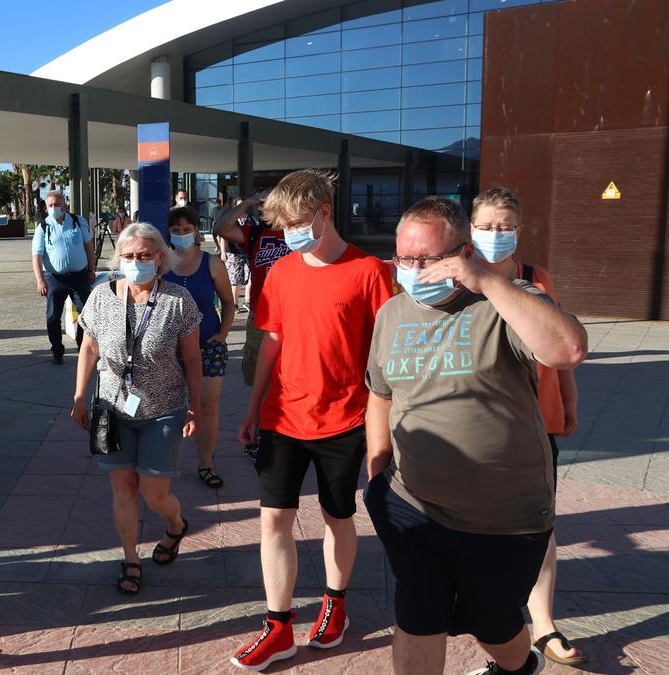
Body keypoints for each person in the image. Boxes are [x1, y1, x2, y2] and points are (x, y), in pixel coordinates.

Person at [364, 196, 587, 675]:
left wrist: (488, 280)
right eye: (405, 257)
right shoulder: (392, 314)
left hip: (505, 517)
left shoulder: (507, 298)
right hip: (412, 504)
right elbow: (380, 394)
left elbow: (567, 349)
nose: (414, 269)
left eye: (428, 258)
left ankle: (519, 666)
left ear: (463, 251)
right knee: (417, 614)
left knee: (494, 624)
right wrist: (378, 472)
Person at [231, 170, 395, 671]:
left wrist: (383, 430)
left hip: (345, 419)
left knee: (336, 516)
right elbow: (272, 342)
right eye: (281, 226)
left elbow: (387, 354)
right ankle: (277, 626)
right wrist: (254, 407)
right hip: (283, 417)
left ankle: (334, 602)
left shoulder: (370, 271)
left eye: (297, 223)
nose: (288, 235)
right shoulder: (281, 272)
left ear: (325, 213)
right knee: (273, 520)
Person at [469, 187, 586, 667]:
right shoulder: (460, 281)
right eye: (487, 225)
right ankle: (486, 614)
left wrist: (569, 399)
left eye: (505, 225)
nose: (496, 234)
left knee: (540, 526)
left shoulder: (536, 277)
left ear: (520, 228)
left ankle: (544, 625)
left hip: (538, 424)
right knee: (475, 524)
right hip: (478, 427)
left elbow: (559, 347)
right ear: (470, 228)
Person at [70, 222, 202, 596]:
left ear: (160, 257)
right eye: (129, 256)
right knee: (123, 489)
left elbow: (192, 359)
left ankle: (175, 524)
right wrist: (80, 396)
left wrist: (194, 408)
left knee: (154, 493)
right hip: (113, 410)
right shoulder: (100, 297)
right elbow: (89, 349)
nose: (137, 262)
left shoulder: (178, 300)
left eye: (145, 255)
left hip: (165, 408)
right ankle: (130, 558)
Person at [164, 206, 235, 489]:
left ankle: (205, 463)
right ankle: (164, 463)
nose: (181, 234)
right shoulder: (161, 263)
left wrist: (223, 332)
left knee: (208, 406)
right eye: (176, 230)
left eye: (186, 229)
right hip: (169, 349)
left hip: (208, 345)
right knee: (169, 407)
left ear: (196, 231)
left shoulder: (212, 263)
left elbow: (228, 301)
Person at [214, 194, 289, 388]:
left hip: (292, 316)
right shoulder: (254, 233)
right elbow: (222, 228)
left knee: (290, 371)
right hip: (260, 315)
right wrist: (247, 203)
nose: (269, 210)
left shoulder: (297, 235)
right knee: (257, 373)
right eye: (265, 206)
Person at [32, 190, 95, 364]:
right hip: (55, 278)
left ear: (64, 205)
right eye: (50, 205)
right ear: (46, 207)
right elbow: (36, 256)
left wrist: (91, 269)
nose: (54, 208)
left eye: (57, 205)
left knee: (87, 314)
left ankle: (83, 346)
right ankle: (57, 350)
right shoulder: (43, 227)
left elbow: (89, 246)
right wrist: (40, 280)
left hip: (79, 277)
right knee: (53, 317)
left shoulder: (77, 221)